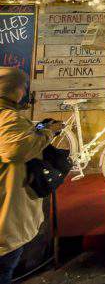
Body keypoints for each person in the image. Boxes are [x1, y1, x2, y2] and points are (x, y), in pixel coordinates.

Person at [0, 68, 63, 284]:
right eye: (22, 86)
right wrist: (48, 132)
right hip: (6, 216)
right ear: (14, 90)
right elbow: (16, 148)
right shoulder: (7, 117)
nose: (25, 90)